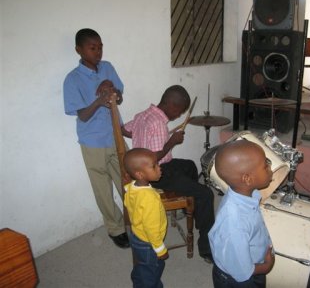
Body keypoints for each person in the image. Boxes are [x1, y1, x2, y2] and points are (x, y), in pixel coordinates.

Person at [123, 85, 215, 263]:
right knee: (206, 193)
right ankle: (207, 249)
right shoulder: (158, 123)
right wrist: (171, 142)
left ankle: (192, 209)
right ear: (171, 105)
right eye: (180, 112)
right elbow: (153, 159)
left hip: (149, 168)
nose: (179, 116)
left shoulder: (142, 115)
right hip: (156, 175)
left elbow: (124, 130)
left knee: (189, 166)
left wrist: (141, 138)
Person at [63, 28, 129, 248]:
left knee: (128, 180)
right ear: (79, 50)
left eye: (100, 46)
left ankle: (137, 220)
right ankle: (116, 228)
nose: (98, 51)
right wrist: (99, 100)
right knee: (103, 189)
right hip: (93, 142)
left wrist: (112, 90)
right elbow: (82, 115)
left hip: (115, 134)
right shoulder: (72, 79)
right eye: (92, 47)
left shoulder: (107, 68)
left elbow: (118, 98)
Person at [208, 140, 275, 288]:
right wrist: (266, 267)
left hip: (251, 263)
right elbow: (240, 270)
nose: (270, 168)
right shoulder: (235, 222)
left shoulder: (246, 196)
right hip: (237, 279)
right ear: (247, 179)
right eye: (266, 165)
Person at [123, 148, 168, 288]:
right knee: (152, 269)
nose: (159, 168)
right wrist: (160, 249)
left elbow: (127, 195)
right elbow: (152, 228)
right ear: (140, 174)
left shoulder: (132, 186)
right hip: (148, 243)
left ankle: (138, 277)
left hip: (136, 235)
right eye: (154, 166)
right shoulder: (150, 199)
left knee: (143, 265)